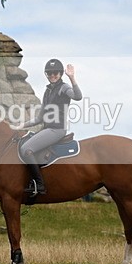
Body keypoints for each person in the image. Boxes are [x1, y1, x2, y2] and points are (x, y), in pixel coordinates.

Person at [16, 59, 82, 196]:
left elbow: (78, 96)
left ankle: (39, 184)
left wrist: (72, 78)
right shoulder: (47, 91)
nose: (53, 75)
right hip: (47, 129)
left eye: (56, 73)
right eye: (50, 73)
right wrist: (22, 125)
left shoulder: (64, 88)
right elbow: (39, 118)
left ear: (60, 74)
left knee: (26, 149)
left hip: (57, 129)